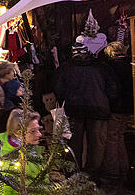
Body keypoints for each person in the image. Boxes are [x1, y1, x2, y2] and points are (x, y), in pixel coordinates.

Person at [55, 42, 117, 179]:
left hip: (74, 109)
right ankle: (92, 175)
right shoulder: (101, 67)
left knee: (74, 143)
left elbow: (59, 90)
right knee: (97, 145)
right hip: (98, 110)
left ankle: (74, 174)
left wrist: (65, 101)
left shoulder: (65, 68)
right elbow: (112, 90)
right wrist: (107, 103)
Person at [0, 109, 46, 195]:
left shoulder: (32, 152)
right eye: (33, 131)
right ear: (18, 133)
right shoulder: (6, 163)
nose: (39, 134)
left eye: (39, 129)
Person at [103, 42, 133, 182]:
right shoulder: (129, 65)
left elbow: (112, 90)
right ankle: (124, 169)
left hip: (115, 108)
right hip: (128, 107)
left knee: (112, 139)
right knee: (120, 137)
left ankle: (113, 172)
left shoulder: (110, 67)